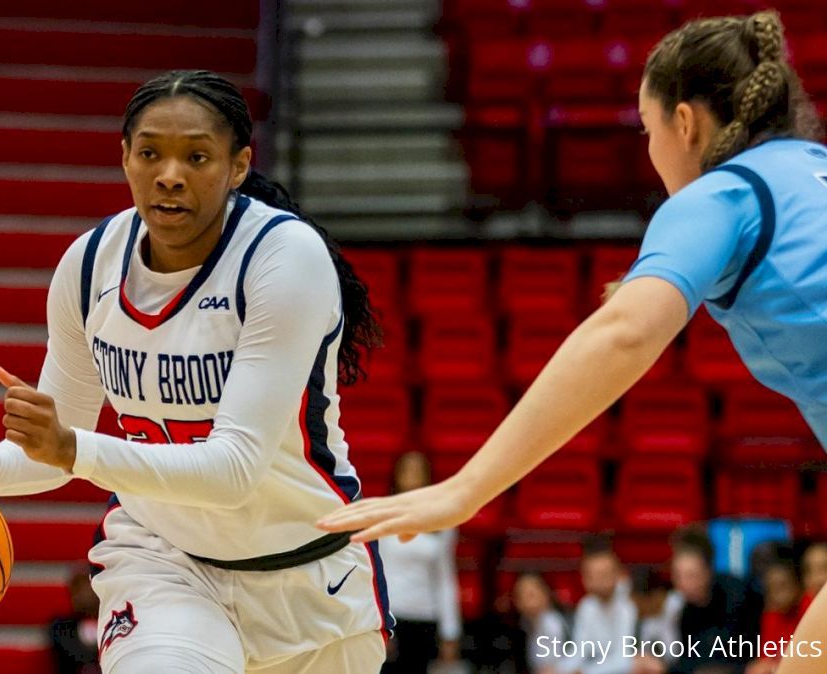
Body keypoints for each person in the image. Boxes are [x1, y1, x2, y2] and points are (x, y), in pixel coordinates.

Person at [318, 10, 826, 674]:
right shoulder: (811, 167)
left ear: (683, 123)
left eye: (647, 131)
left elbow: (624, 332)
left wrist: (467, 488)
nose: (650, 151)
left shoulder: (723, 195)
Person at [0, 69, 392, 673]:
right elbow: (49, 455)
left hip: (308, 572)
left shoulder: (283, 257)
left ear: (238, 166)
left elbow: (233, 470)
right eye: (149, 153)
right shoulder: (89, 266)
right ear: (125, 157)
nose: (169, 174)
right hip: (164, 563)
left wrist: (69, 448)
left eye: (197, 156)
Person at [378, 452, 462, 673]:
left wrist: (450, 631)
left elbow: (445, 578)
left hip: (425, 617)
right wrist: (378, 624)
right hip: (392, 616)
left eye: (418, 470)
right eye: (407, 470)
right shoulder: (382, 514)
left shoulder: (442, 521)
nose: (412, 476)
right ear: (396, 475)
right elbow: (377, 574)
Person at [670, 528, 762, 674]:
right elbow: (688, 660)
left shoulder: (740, 596)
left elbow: (750, 656)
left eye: (691, 575)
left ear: (708, 571)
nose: (683, 584)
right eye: (677, 576)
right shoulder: (686, 613)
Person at [558, 537, 637, 674]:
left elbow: (624, 658)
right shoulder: (586, 606)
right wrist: (560, 670)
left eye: (604, 574)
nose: (599, 581)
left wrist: (586, 672)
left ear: (617, 574)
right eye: (593, 575)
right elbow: (579, 651)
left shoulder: (627, 608)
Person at [746, 549, 813, 674]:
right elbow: (765, 658)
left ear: (798, 584)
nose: (777, 596)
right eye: (771, 589)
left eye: (782, 586)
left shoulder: (811, 609)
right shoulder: (771, 614)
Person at [513, 573, 570, 674]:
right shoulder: (525, 623)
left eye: (531, 595)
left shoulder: (551, 623)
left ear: (546, 594)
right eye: (520, 596)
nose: (526, 601)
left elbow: (553, 668)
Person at [631, 567, 683, 674]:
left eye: (641, 606)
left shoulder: (679, 606)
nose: (640, 612)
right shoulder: (646, 621)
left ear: (657, 595)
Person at [50, 567, 101, 674]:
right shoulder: (61, 628)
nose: (85, 594)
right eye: (79, 588)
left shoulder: (115, 625)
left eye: (90, 587)